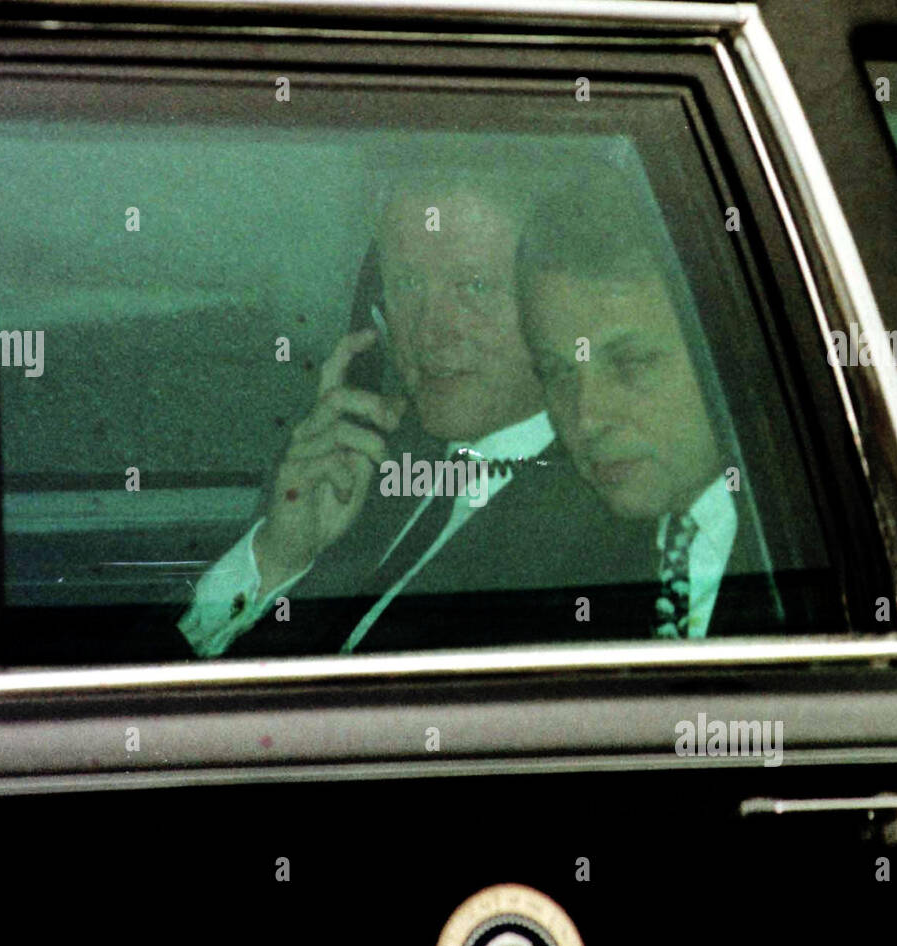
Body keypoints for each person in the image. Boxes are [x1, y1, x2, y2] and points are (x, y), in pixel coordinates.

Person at [173, 163, 622, 658]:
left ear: (559, 305)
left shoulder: (605, 517)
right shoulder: (365, 458)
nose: (429, 329)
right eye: (407, 285)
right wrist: (276, 560)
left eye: (474, 287)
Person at [513, 176, 791, 639]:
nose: (586, 418)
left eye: (632, 363)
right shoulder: (557, 552)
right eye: (559, 373)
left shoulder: (822, 536)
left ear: (729, 351)